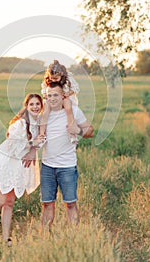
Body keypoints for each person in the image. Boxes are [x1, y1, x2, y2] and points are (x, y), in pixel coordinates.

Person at [0, 93, 45, 246]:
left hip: (19, 167)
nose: (35, 107)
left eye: (37, 104)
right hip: (5, 163)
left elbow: (42, 140)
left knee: (9, 202)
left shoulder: (39, 123)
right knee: (0, 200)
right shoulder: (20, 124)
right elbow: (14, 145)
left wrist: (34, 148)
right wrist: (32, 144)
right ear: (26, 107)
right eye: (32, 104)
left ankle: (5, 238)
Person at [40, 82, 94, 228]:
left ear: (63, 95)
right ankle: (44, 238)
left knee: (70, 203)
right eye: (49, 95)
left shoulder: (74, 111)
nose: (52, 98)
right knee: (47, 204)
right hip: (47, 167)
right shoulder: (44, 113)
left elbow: (90, 131)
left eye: (56, 95)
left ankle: (72, 237)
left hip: (67, 167)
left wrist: (79, 131)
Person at [40, 60, 80, 144]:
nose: (54, 80)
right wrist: (45, 95)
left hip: (65, 97)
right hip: (52, 98)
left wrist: (67, 94)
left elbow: (75, 88)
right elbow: (44, 88)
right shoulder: (47, 78)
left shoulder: (68, 78)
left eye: (56, 78)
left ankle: (72, 133)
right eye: (52, 78)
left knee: (68, 108)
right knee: (45, 110)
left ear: (61, 75)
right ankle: (42, 134)